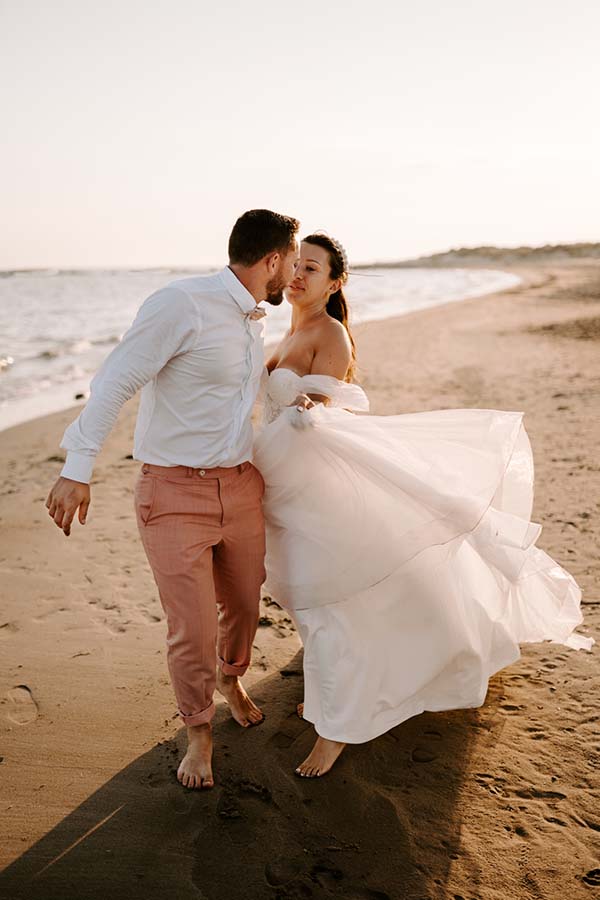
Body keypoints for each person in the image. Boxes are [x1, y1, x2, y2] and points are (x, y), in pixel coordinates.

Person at [254, 232, 595, 778]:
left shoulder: (331, 332)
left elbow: (321, 416)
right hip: (283, 482)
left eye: (312, 269)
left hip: (314, 481)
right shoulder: (287, 329)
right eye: (296, 266)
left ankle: (337, 727)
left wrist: (296, 410)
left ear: (333, 282)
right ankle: (328, 695)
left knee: (328, 598)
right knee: (303, 594)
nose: (297, 276)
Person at [45, 209, 301, 789]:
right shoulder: (181, 303)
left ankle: (230, 677)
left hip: (240, 486)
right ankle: (199, 734)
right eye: (290, 260)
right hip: (172, 494)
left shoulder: (252, 319)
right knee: (192, 627)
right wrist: (77, 467)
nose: (291, 272)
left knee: (243, 603)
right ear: (272, 260)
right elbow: (116, 379)